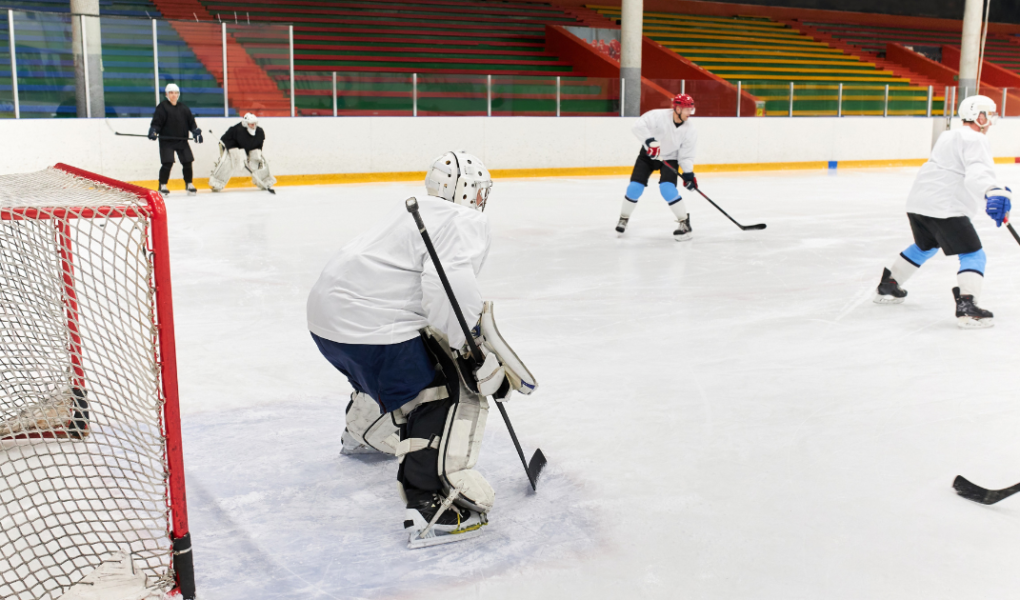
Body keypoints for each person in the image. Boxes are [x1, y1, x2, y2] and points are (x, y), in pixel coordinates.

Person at [306, 151, 536, 549]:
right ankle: (432, 505)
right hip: (370, 327)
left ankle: (364, 433)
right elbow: (448, 286)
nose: (481, 198)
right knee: (441, 391)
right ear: (465, 190)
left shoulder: (413, 212)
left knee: (398, 368)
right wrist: (472, 354)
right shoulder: (463, 219)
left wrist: (464, 344)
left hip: (327, 324)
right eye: (478, 190)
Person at [874, 95, 1011, 328]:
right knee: (973, 254)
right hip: (944, 208)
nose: (991, 120)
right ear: (979, 116)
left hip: (919, 204)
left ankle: (889, 284)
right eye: (989, 115)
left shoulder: (948, 136)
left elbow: (956, 172)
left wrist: (989, 196)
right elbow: (977, 172)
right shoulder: (976, 138)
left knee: (925, 246)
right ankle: (967, 307)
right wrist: (992, 192)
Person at [615, 93, 699, 241]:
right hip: (648, 156)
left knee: (667, 189)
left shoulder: (690, 129)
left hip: (670, 158)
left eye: (690, 109)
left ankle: (684, 222)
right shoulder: (658, 116)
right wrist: (650, 141)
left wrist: (688, 174)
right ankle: (624, 218)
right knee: (634, 187)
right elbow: (638, 126)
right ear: (677, 109)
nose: (689, 113)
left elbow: (686, 155)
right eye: (687, 109)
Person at [148, 83, 203, 196]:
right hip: (167, 140)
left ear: (178, 94)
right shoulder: (162, 107)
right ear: (166, 94)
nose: (174, 95)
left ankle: (189, 183)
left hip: (182, 140)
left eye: (176, 93)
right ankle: (162, 185)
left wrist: (196, 132)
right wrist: (153, 131)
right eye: (171, 93)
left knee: (187, 162)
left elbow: (191, 122)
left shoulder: (183, 108)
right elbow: (157, 123)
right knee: (167, 163)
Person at [209, 112, 277, 194]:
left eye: (254, 123)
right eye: (251, 124)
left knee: (257, 158)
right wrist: (237, 154)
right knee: (232, 160)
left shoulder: (259, 131)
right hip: (231, 145)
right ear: (245, 123)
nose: (253, 126)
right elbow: (226, 140)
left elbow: (258, 146)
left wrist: (254, 156)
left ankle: (264, 181)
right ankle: (217, 182)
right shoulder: (236, 130)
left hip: (248, 147)